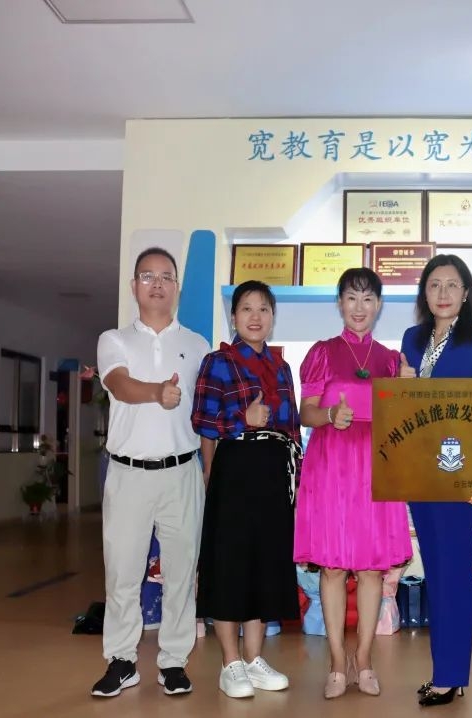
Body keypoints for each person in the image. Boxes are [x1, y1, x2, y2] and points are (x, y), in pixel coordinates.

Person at [91, 247, 210, 698]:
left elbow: (206, 415)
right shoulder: (114, 339)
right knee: (122, 572)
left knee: (181, 573)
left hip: (182, 472)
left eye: (165, 276)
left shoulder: (197, 345)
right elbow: (119, 384)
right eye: (147, 276)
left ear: (177, 287)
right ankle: (122, 660)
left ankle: (174, 662)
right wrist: (157, 392)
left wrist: (208, 471)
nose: (157, 284)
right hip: (128, 474)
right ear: (134, 286)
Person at [293, 268, 411, 699]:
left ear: (378, 305)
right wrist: (329, 415)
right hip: (332, 466)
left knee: (371, 567)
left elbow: (405, 419)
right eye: (351, 298)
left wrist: (410, 389)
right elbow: (304, 412)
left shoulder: (391, 360)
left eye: (368, 299)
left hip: (376, 466)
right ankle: (336, 661)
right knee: (332, 567)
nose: (359, 308)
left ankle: (364, 660)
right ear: (339, 303)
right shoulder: (322, 352)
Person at [191, 280, 301, 698]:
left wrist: (297, 477)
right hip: (234, 467)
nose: (256, 317)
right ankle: (229, 662)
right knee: (230, 564)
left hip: (274, 471)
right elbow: (203, 421)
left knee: (264, 564)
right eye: (247, 309)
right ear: (234, 316)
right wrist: (243, 421)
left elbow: (292, 428)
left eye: (264, 309)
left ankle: (254, 660)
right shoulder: (218, 361)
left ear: (273, 317)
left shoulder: (281, 367)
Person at [399, 254, 472, 707]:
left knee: (454, 571)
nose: (442, 293)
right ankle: (445, 672)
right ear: (425, 292)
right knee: (435, 570)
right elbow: (403, 407)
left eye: (452, 285)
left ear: (465, 293)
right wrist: (401, 385)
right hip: (421, 470)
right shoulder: (412, 339)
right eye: (434, 284)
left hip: (460, 473)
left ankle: (450, 675)